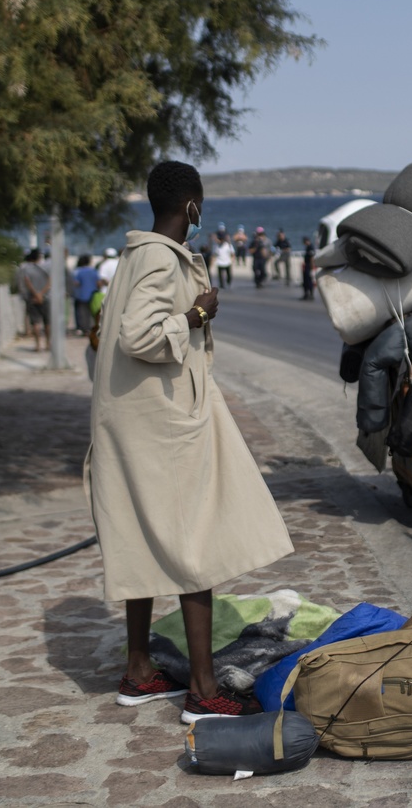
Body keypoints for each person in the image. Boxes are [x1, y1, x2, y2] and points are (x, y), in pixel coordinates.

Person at [86, 160, 293, 723]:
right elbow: (140, 336)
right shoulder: (159, 256)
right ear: (192, 207)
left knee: (142, 543)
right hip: (163, 429)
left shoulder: (132, 255)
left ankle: (139, 671)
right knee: (192, 549)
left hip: (132, 422)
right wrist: (198, 313)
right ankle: (203, 692)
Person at [72, 254, 100, 335]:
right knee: (91, 313)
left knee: (81, 313)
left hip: (81, 295)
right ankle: (90, 328)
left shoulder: (78, 271)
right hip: (92, 294)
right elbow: (98, 282)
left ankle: (82, 328)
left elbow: (76, 283)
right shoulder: (93, 271)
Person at [301, 235, 316, 300]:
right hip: (307, 265)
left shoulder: (311, 247)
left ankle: (311, 294)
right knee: (305, 280)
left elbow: (312, 258)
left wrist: (312, 268)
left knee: (309, 280)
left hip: (309, 265)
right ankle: (306, 294)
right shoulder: (308, 247)